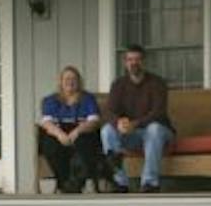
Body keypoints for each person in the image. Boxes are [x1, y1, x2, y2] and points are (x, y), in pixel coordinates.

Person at [100, 44, 173, 193]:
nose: (134, 63)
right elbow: (109, 111)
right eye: (130, 59)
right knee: (107, 130)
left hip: (158, 133)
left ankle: (150, 183)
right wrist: (118, 122)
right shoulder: (119, 84)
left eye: (137, 59)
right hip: (131, 134)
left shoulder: (157, 83)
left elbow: (158, 112)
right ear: (125, 63)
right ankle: (119, 182)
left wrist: (136, 123)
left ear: (144, 62)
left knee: (154, 129)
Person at [36, 65, 107, 193]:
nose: (70, 82)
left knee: (84, 143)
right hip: (59, 131)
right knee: (49, 144)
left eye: (74, 79)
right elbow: (46, 123)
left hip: (82, 131)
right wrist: (59, 135)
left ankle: (76, 184)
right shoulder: (51, 100)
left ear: (79, 82)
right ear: (61, 82)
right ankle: (64, 183)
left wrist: (77, 131)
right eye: (66, 79)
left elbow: (94, 120)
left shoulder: (88, 98)